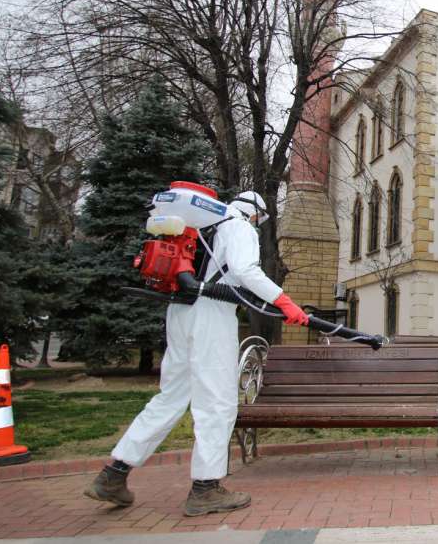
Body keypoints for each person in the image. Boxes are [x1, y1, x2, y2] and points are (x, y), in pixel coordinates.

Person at [83, 191, 309, 517]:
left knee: (169, 398)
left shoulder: (199, 226)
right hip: (211, 316)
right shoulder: (238, 227)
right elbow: (246, 271)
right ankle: (206, 488)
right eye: (260, 220)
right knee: (217, 403)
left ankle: (113, 475)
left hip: (180, 313)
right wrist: (283, 300)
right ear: (255, 213)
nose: (259, 225)